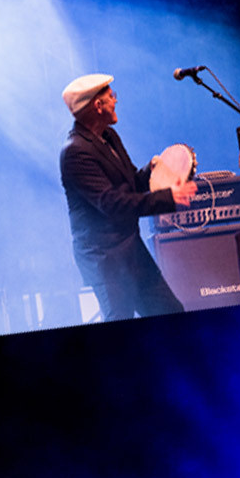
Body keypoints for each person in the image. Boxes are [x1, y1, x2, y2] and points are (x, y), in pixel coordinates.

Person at [60, 73, 197, 321]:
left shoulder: (109, 136)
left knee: (171, 312)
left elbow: (130, 182)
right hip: (105, 260)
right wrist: (168, 197)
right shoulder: (75, 153)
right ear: (98, 106)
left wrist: (151, 170)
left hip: (130, 250)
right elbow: (112, 203)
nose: (116, 101)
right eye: (111, 96)